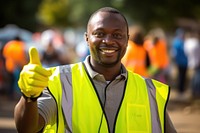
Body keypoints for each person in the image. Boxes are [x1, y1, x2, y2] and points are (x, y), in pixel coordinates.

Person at [14, 7, 177, 133]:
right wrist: (29, 97)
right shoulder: (58, 82)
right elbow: (27, 129)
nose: (108, 41)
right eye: (99, 33)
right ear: (87, 38)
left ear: (127, 40)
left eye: (117, 35)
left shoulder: (150, 92)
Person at [171, 28, 188, 100]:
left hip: (183, 62)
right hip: (181, 62)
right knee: (181, 76)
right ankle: (180, 90)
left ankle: (181, 90)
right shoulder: (179, 42)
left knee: (182, 76)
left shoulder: (179, 42)